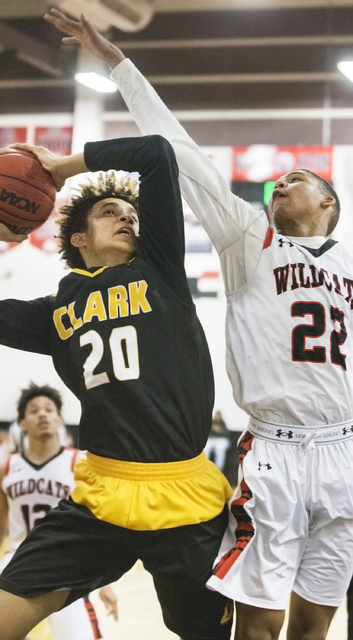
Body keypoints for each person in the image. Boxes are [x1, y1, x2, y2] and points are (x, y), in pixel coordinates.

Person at [42, 8, 353, 640]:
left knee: (317, 621)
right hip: (278, 448)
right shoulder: (249, 236)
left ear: (329, 201)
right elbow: (175, 145)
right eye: (276, 179)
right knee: (260, 622)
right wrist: (115, 61)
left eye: (296, 180)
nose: (278, 184)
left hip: (346, 446)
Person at [0, 104, 233, 639]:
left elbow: (155, 153)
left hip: (184, 497)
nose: (127, 217)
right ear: (78, 237)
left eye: (131, 213)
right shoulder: (56, 311)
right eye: (109, 212)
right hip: (98, 495)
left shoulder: (160, 269)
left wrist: (63, 168)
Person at [0, 383, 117, 640]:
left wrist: (104, 583)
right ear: (21, 424)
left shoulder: (81, 464)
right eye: (34, 410)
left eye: (49, 409)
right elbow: (1, 523)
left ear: (60, 419)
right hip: (17, 558)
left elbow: (98, 524)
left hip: (64, 560)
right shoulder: (8, 467)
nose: (42, 414)